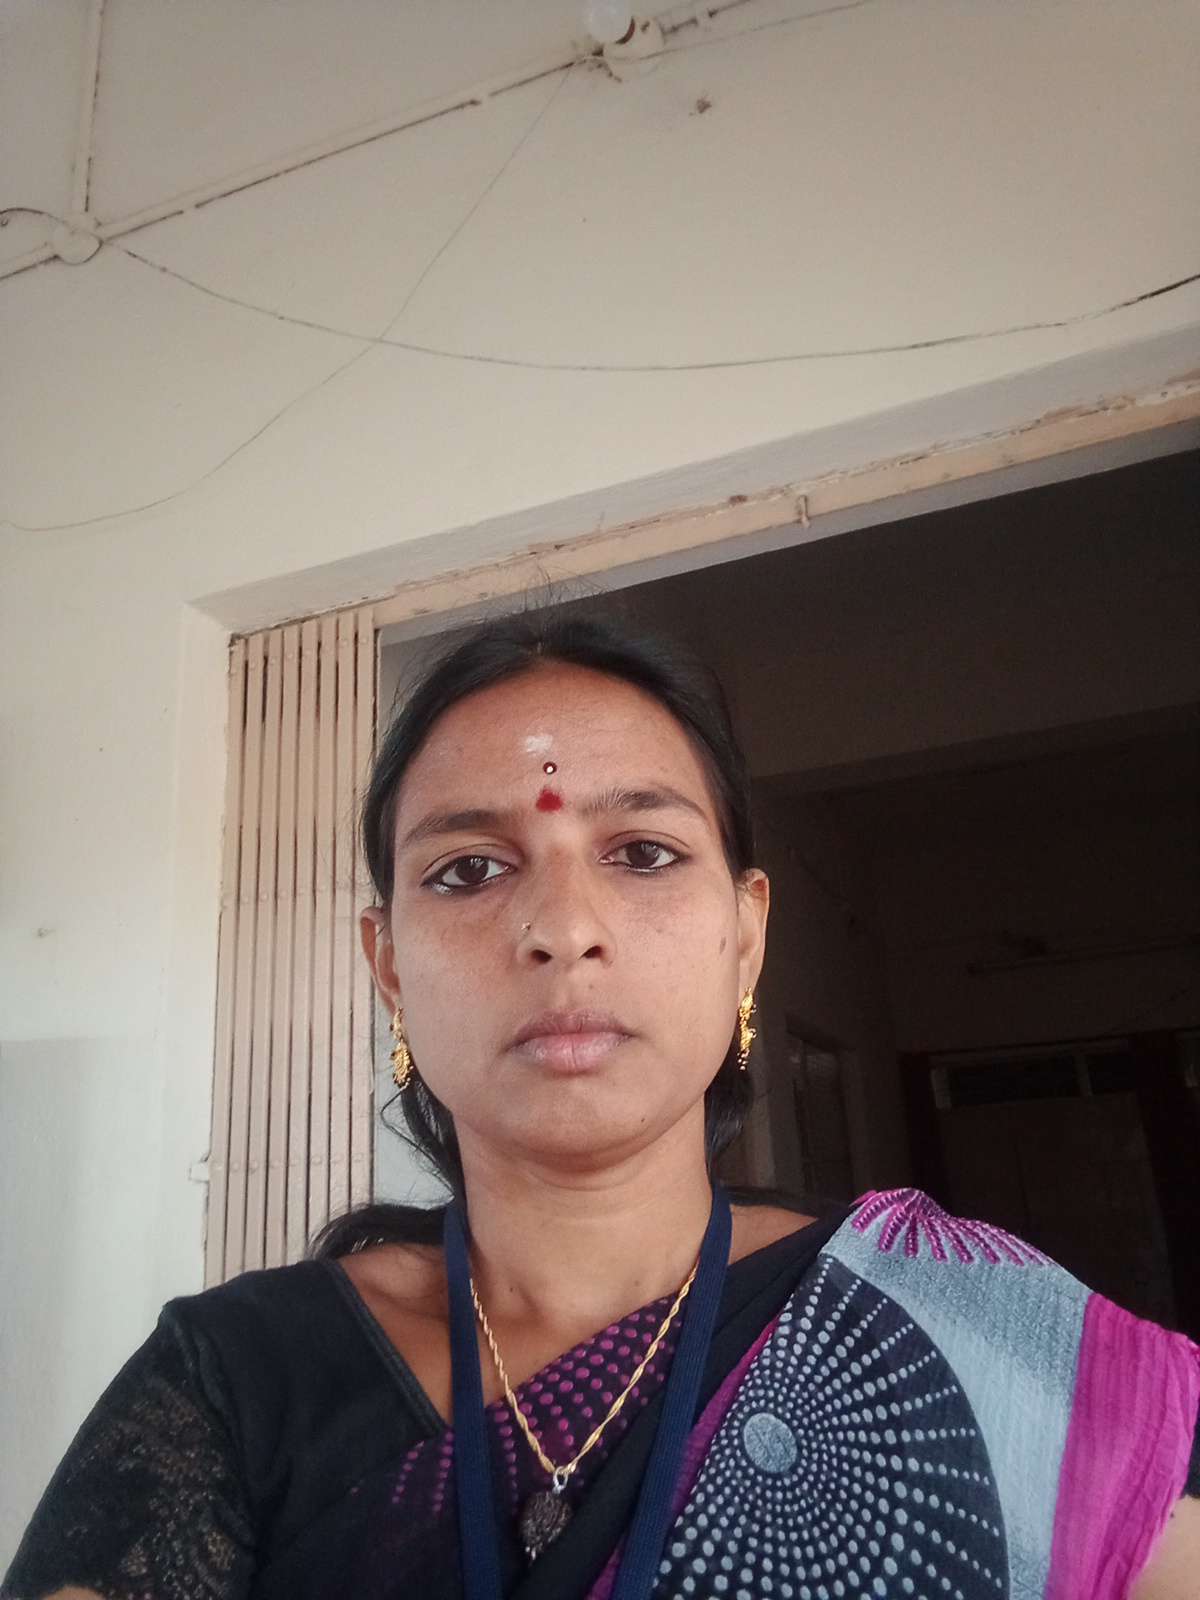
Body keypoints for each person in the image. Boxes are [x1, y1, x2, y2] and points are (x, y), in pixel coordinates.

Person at [4, 610, 1198, 1600]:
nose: (563, 928)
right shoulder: (236, 1378)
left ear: (746, 936)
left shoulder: (967, 1332)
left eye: (643, 852)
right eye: (469, 868)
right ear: (389, 967)